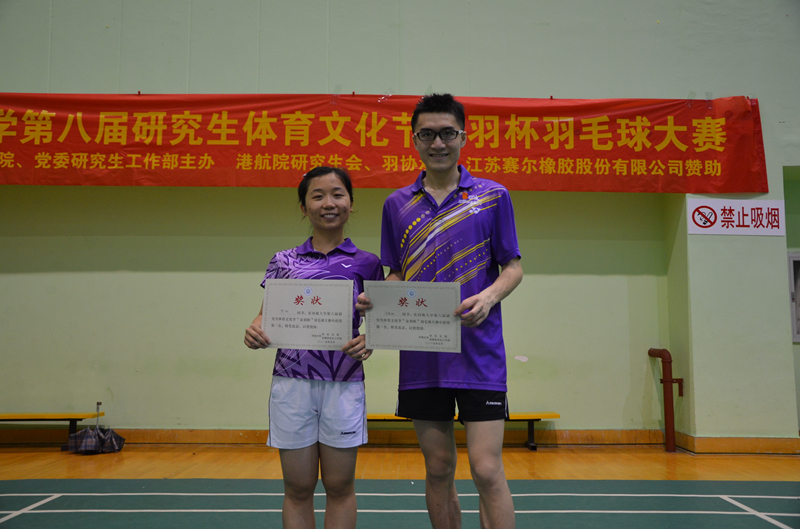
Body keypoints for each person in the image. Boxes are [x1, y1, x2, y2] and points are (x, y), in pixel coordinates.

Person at [359, 93, 523, 529]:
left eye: (447, 133)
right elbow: (397, 273)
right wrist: (379, 304)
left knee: (486, 470)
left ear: (463, 137)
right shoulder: (397, 204)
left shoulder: (493, 196)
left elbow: (513, 267)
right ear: (414, 139)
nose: (438, 143)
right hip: (422, 355)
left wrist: (488, 297)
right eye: (427, 134)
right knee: (437, 468)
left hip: (479, 354)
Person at [245, 166, 383, 529]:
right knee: (298, 487)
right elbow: (265, 315)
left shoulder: (368, 263)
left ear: (351, 202)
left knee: (339, 486)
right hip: (292, 383)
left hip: (344, 383)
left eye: (338, 194)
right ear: (304, 207)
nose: (329, 203)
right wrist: (255, 330)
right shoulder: (283, 261)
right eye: (317, 196)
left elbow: (380, 324)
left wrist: (370, 340)